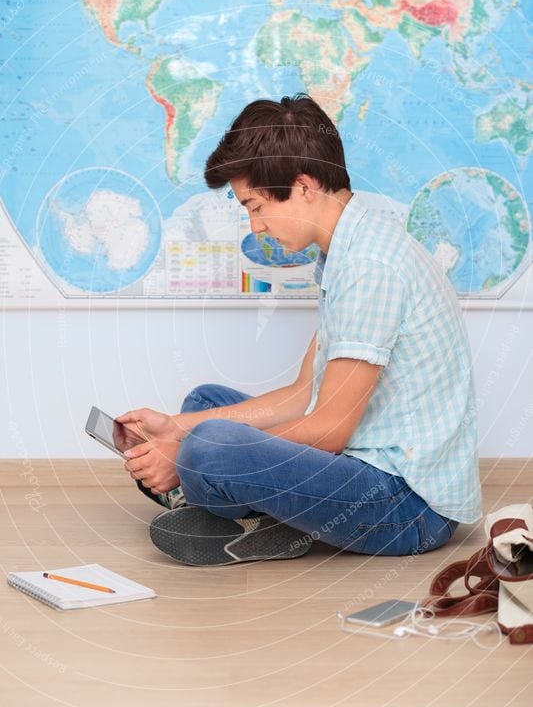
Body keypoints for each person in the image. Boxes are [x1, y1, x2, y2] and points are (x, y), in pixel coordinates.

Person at [117, 94, 482, 567]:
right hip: (362, 462)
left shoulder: (369, 266)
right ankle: (265, 519)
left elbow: (328, 430)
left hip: (406, 507)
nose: (256, 226)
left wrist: (185, 450)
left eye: (256, 206)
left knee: (209, 446)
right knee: (205, 405)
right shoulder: (347, 250)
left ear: (304, 186)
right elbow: (304, 394)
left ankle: (240, 510)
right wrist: (176, 427)